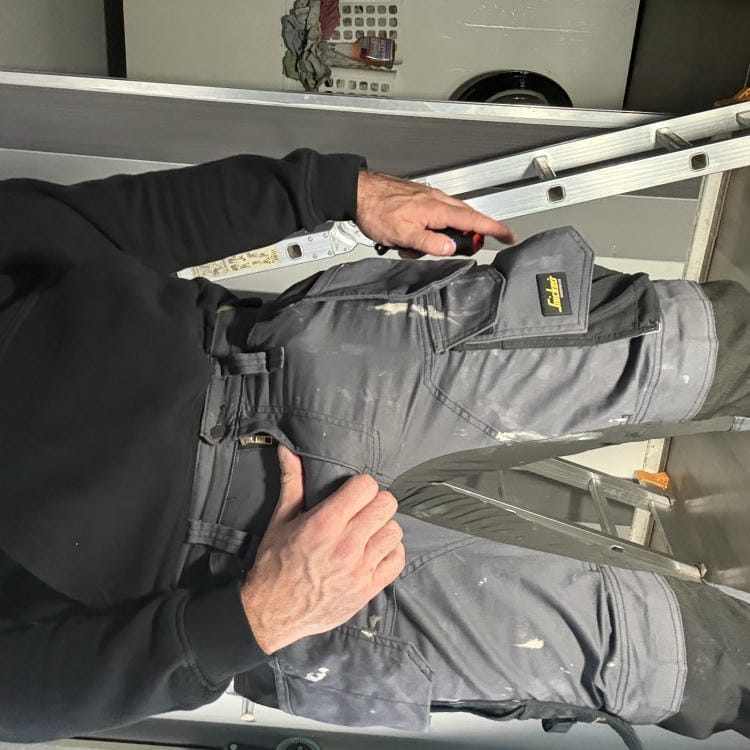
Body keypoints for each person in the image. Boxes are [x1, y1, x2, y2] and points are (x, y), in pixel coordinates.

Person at [0, 149, 748, 746]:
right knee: (673, 655)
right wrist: (253, 619)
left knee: (696, 350)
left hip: (303, 364)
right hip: (269, 590)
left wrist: (335, 191)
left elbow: (89, 225)